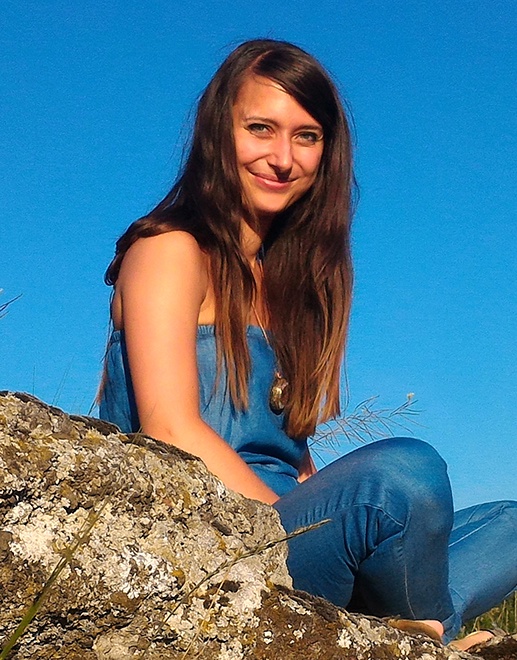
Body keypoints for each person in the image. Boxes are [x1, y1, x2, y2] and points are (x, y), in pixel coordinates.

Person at [98, 39, 517, 650]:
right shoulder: (170, 251)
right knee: (407, 470)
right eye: (260, 129)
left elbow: (295, 458)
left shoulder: (288, 285)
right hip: (220, 532)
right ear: (218, 132)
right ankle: (427, 638)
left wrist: (330, 518)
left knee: (509, 523)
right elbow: (170, 427)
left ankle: (399, 619)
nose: (282, 157)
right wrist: (299, 524)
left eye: (306, 136)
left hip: (297, 527)